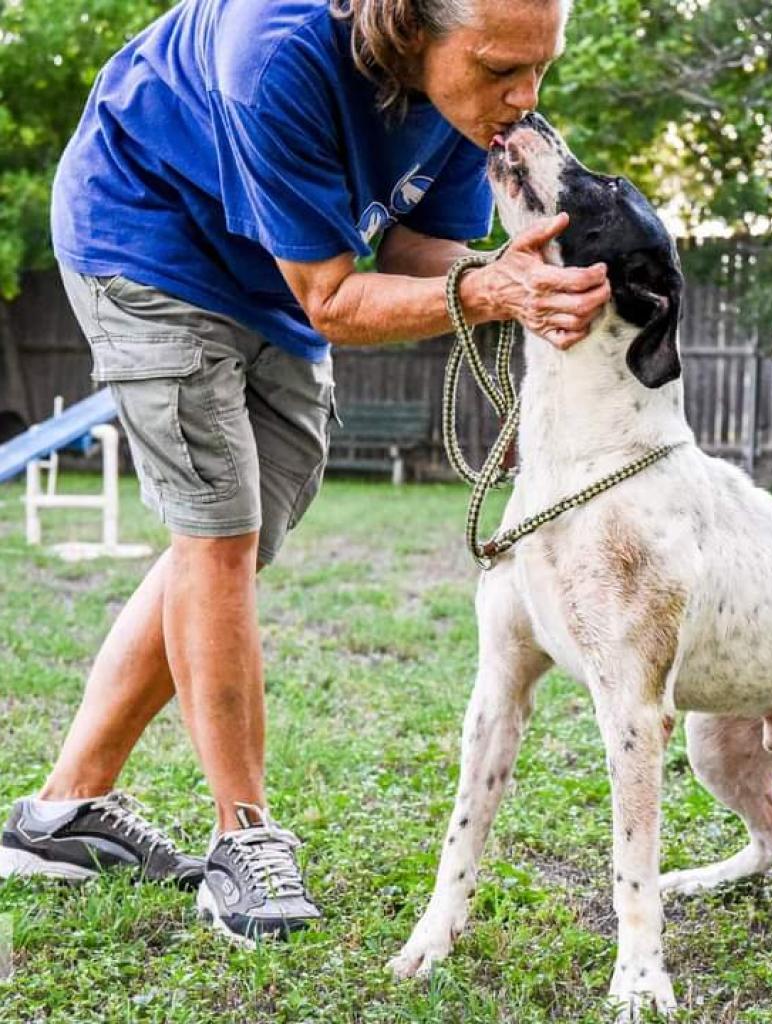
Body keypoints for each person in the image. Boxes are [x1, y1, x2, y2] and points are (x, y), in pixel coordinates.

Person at [0, 0, 610, 943]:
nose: (523, 98)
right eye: (499, 69)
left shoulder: (469, 107)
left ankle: (62, 810)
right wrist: (489, 292)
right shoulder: (278, 53)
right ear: (415, 28)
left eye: (541, 68)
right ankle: (242, 840)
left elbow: (413, 255)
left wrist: (503, 271)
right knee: (219, 528)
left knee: (252, 520)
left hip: (272, 272)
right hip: (149, 233)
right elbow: (331, 295)